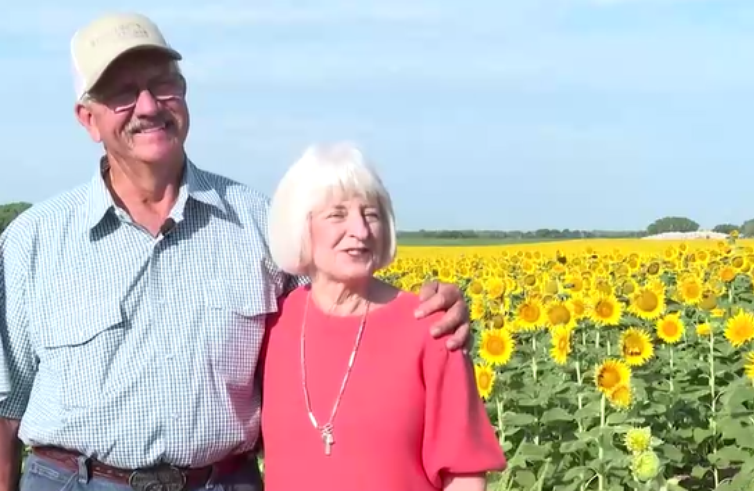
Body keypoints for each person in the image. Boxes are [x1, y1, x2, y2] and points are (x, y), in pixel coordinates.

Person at [0, 12, 472, 491]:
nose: (147, 106)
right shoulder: (34, 241)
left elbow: (343, 319)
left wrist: (429, 310)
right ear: (89, 119)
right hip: (75, 481)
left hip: (220, 482)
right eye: (122, 92)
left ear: (184, 96)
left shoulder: (258, 225)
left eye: (163, 86)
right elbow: (3, 413)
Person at [259, 142, 506, 491]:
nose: (360, 231)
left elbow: (463, 473)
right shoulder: (275, 323)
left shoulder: (430, 325)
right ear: (301, 226)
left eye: (371, 214)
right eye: (338, 214)